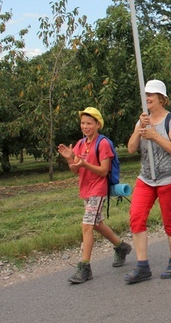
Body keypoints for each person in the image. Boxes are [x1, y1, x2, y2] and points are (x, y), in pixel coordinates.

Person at [57, 107, 132, 284]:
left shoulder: (103, 143)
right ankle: (121, 247)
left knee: (87, 225)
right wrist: (70, 158)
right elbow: (75, 170)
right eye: (83, 123)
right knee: (96, 223)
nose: (85, 126)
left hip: (98, 189)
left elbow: (103, 170)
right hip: (85, 190)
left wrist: (84, 164)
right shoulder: (81, 144)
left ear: (98, 124)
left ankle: (85, 267)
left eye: (89, 123)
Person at [124, 80, 171, 284]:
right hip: (146, 178)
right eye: (145, 95)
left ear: (161, 98)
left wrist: (154, 135)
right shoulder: (142, 120)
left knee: (169, 220)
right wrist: (139, 129)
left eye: (151, 94)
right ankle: (142, 266)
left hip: (169, 177)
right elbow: (131, 148)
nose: (147, 98)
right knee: (136, 217)